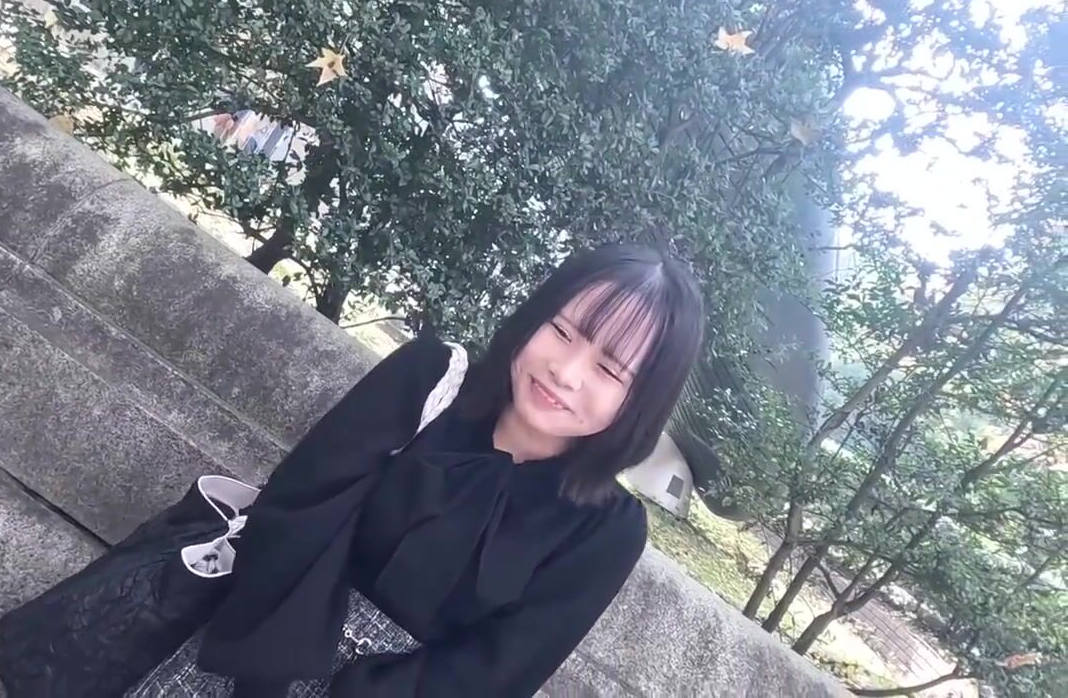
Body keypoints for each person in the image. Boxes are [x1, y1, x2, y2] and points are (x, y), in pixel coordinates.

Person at [129, 244, 706, 697]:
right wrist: (267, 682)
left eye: (609, 369)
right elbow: (299, 509)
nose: (567, 372)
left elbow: (498, 672)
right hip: (246, 657)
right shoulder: (429, 380)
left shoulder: (607, 531)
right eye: (561, 331)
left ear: (642, 402)